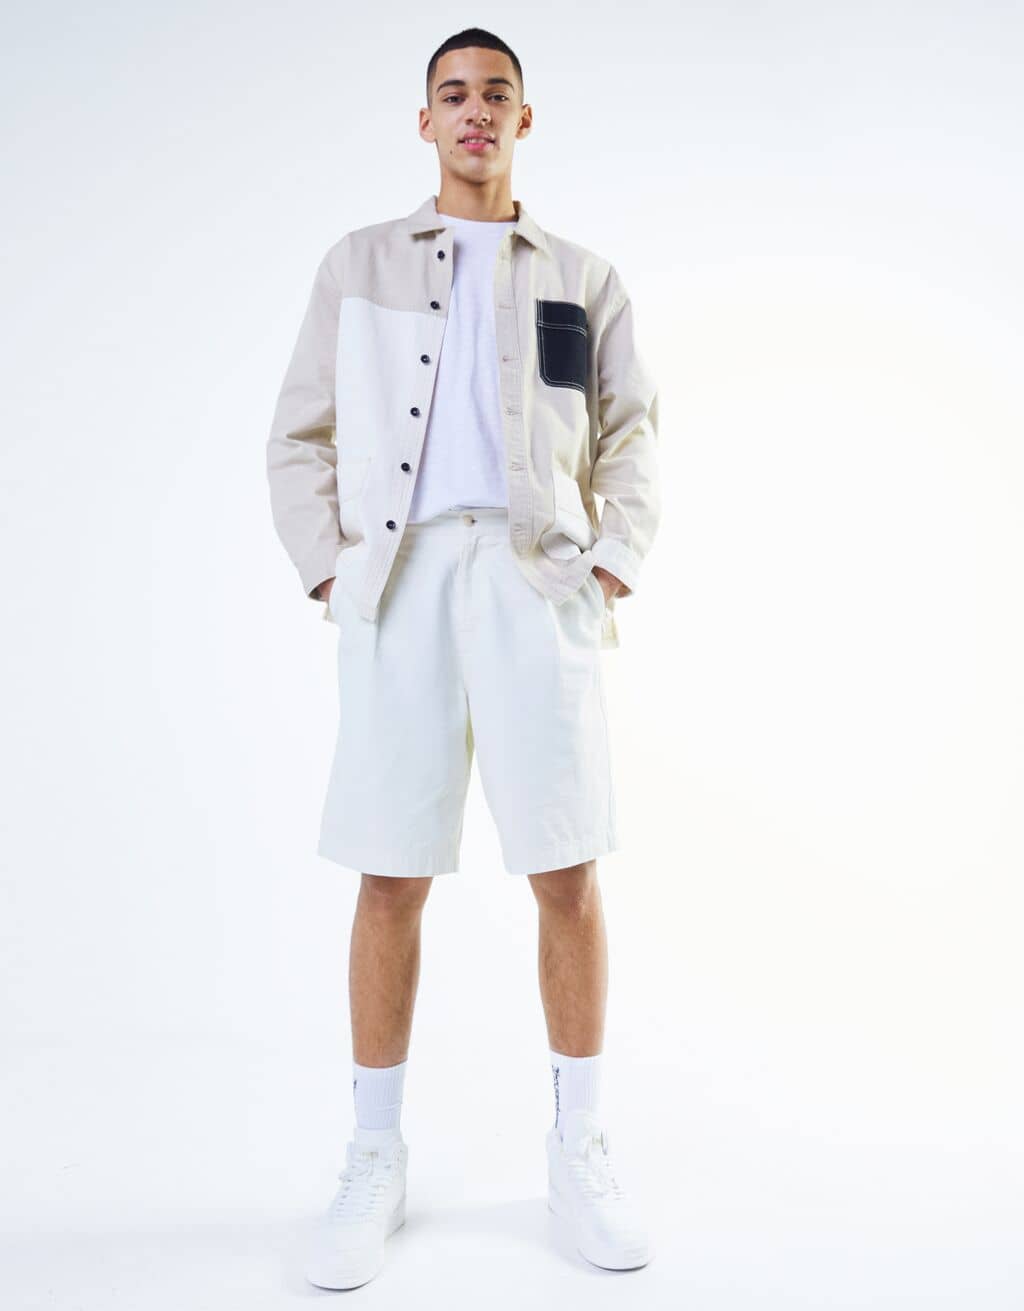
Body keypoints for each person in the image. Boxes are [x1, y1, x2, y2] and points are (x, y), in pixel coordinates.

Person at [266, 27, 661, 1290]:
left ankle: (577, 1146)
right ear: (425, 119)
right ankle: (373, 1156)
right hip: (402, 577)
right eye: (454, 94)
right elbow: (298, 434)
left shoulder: (584, 277)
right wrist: (329, 569)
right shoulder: (359, 265)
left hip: (537, 581)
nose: (475, 111)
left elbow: (632, 431)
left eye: (497, 94)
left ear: (524, 120)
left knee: (565, 866)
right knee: (389, 872)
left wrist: (610, 563)